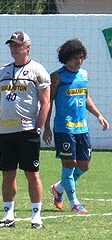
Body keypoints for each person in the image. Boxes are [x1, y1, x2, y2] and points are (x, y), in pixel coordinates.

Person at [0, 31, 51, 229]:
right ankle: (8, 216)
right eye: (11, 45)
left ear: (27, 47)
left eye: (18, 45)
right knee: (8, 174)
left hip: (27, 130)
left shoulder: (38, 71)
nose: (14, 48)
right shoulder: (3, 72)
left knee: (32, 174)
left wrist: (38, 129)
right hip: (5, 132)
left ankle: (36, 216)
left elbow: (46, 103)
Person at [44, 39, 109, 214]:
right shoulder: (57, 76)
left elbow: (86, 97)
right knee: (70, 163)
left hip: (82, 128)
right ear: (66, 59)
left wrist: (99, 115)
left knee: (84, 165)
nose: (79, 61)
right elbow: (48, 102)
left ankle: (58, 188)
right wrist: (47, 126)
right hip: (64, 128)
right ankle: (75, 203)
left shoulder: (84, 75)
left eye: (81, 57)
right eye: (75, 58)